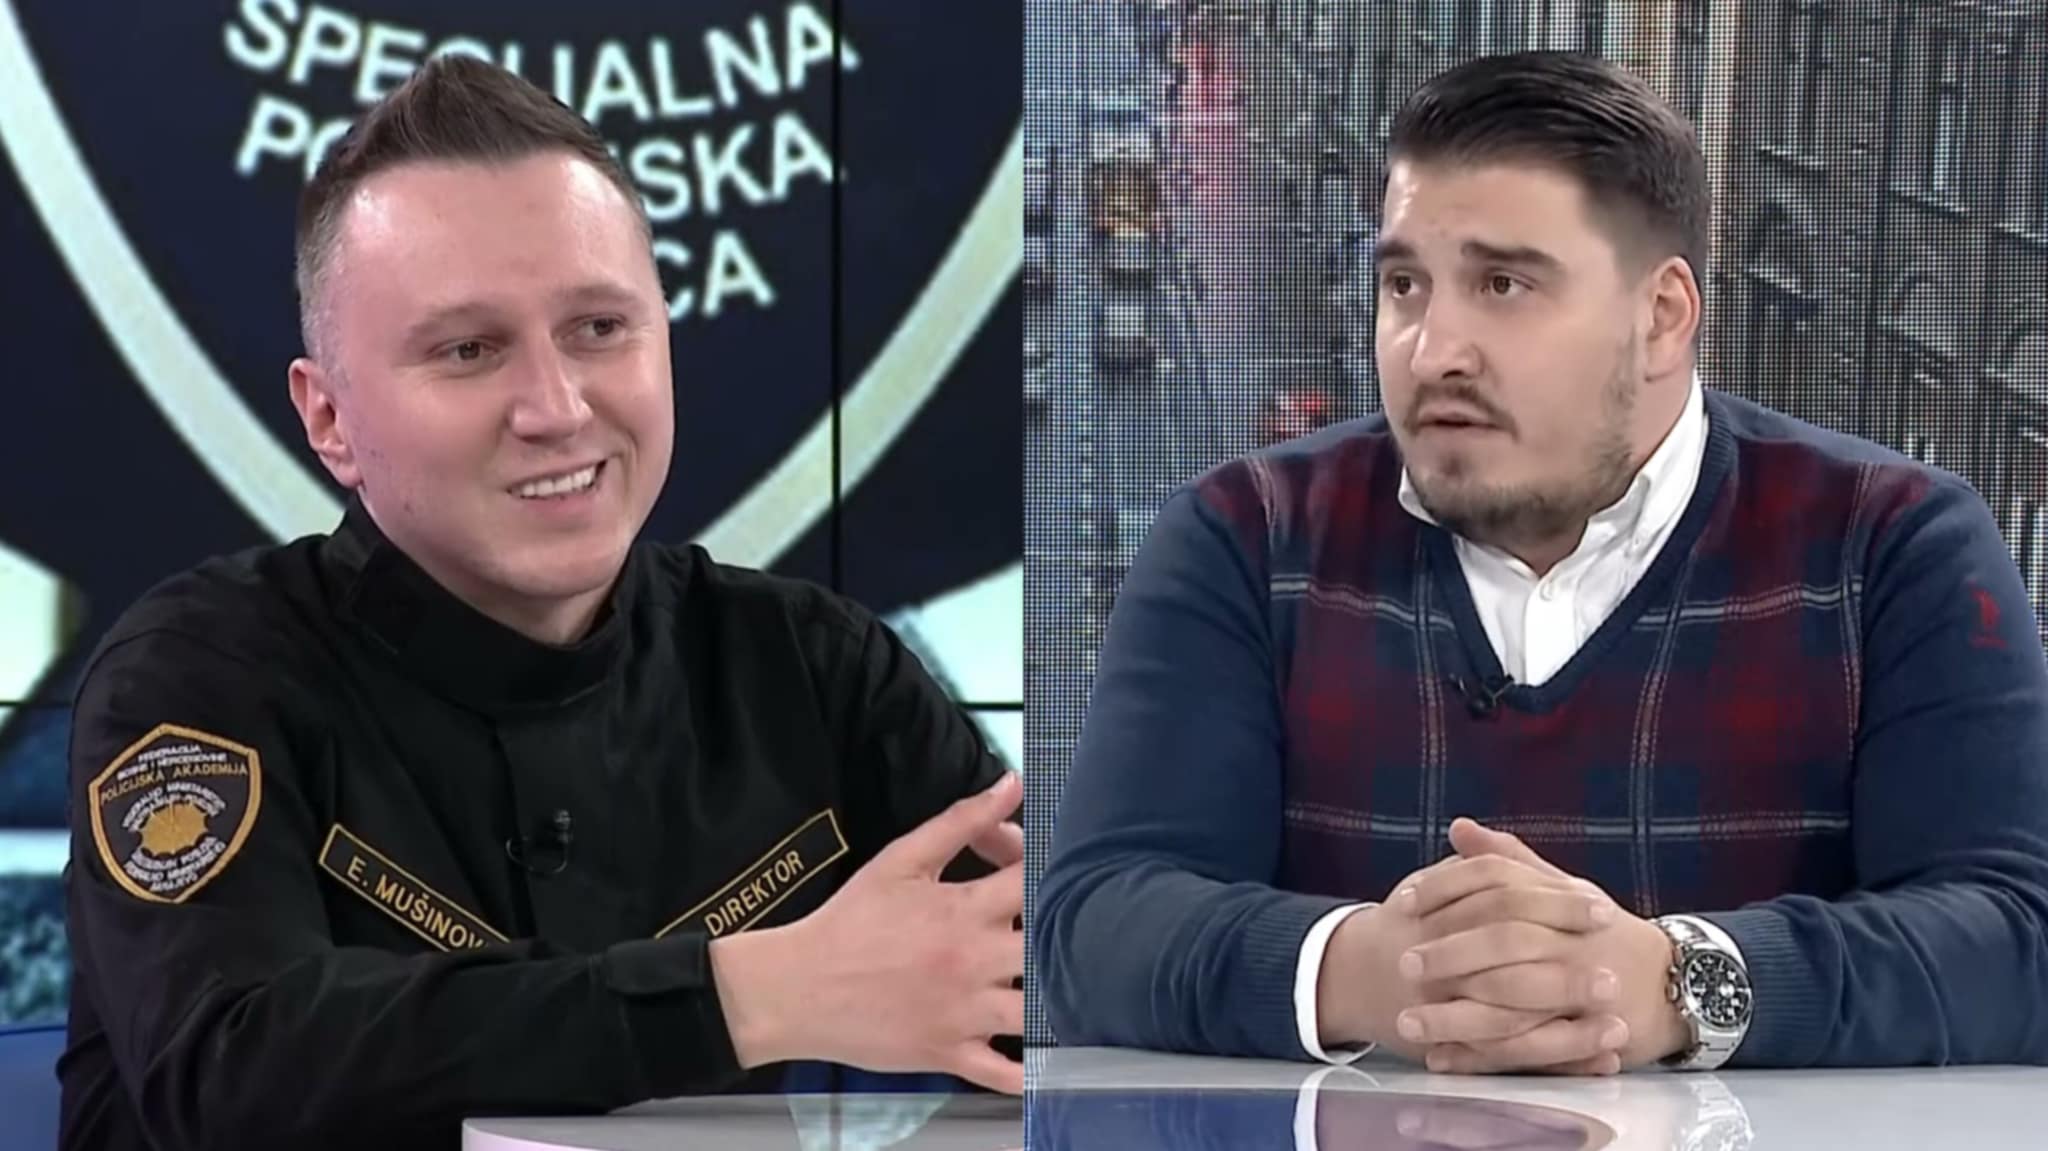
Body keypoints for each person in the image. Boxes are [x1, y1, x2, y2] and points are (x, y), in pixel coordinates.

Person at [59, 55, 1022, 1151]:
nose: (556, 407)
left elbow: (1056, 984)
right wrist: (746, 994)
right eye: (469, 350)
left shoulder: (814, 669)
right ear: (328, 419)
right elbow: (236, 1066)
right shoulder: (194, 680)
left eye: (599, 328)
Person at [1034, 50, 2048, 1076]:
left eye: (1503, 284)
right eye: (1403, 284)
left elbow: (2018, 935)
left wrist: (1671, 981)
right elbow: (1092, 927)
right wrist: (1380, 970)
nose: (1432, 350)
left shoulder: (1894, 547)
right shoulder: (1244, 537)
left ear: (1661, 317)